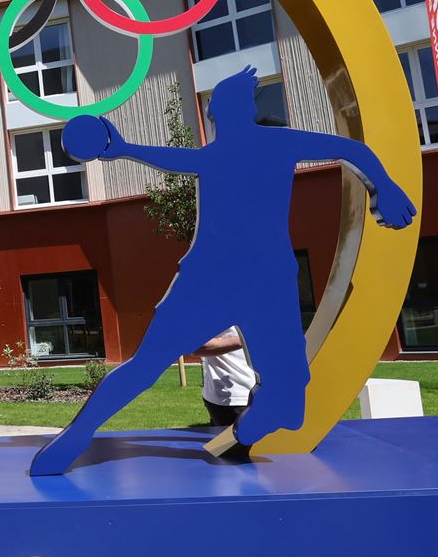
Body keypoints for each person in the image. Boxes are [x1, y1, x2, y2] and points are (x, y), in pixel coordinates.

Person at [29, 67, 417, 475]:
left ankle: (241, 435)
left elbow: (351, 150)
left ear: (224, 112)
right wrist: (385, 188)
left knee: (280, 402)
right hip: (229, 279)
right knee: (151, 367)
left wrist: (123, 149)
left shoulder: (242, 150)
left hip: (245, 280)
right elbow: (352, 150)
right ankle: (79, 435)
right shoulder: (255, 148)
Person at [196, 328, 255, 428]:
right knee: (239, 442)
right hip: (235, 398)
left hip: (267, 393)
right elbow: (198, 347)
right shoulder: (211, 313)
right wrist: (245, 339)